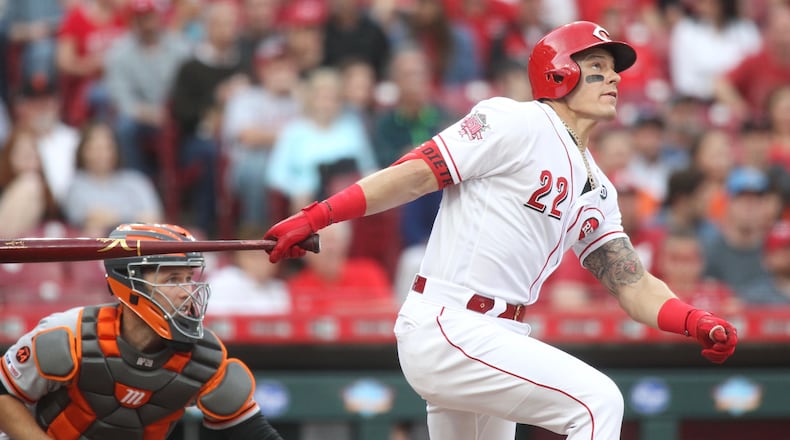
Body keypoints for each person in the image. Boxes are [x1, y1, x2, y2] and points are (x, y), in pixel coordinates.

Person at [262, 21, 738, 439]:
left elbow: (631, 284)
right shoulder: (516, 120)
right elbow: (415, 174)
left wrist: (695, 320)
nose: (613, 76)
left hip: (495, 335)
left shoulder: (600, 188)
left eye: (614, 69)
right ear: (559, 72)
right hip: (451, 322)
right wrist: (319, 214)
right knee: (599, 402)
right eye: (596, 65)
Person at [0, 223, 284, 439]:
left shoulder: (204, 358)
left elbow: (254, 431)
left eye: (189, 278)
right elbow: (3, 394)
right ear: (131, 282)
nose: (187, 292)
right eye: (173, 279)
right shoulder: (70, 334)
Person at [62, 121, 164, 238]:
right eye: (95, 148)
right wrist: (135, 219)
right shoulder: (76, 185)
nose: (101, 154)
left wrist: (112, 219)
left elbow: (153, 219)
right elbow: (91, 217)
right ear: (82, 151)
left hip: (139, 247)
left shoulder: (137, 181)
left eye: (107, 147)